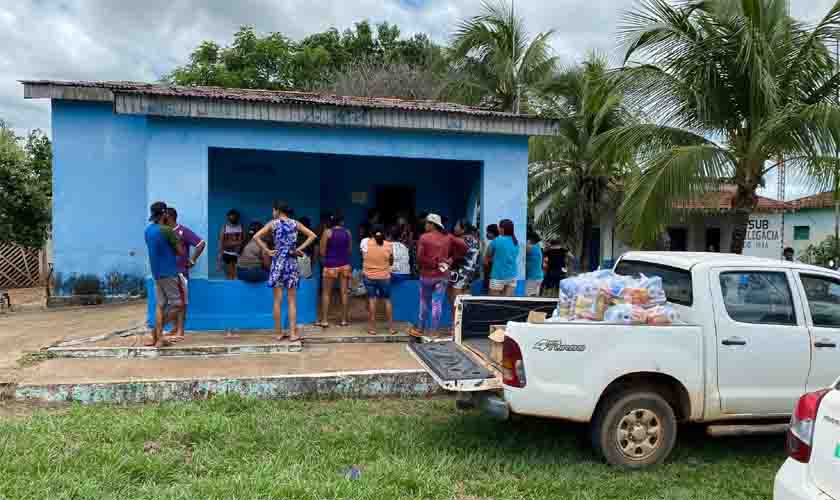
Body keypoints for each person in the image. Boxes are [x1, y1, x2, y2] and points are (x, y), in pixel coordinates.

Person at [253, 201, 317, 342]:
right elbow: (312, 235)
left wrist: (267, 250)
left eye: (273, 210)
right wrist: (300, 249)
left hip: (278, 262)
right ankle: (293, 334)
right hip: (291, 262)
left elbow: (255, 237)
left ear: (277, 211)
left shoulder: (273, 224)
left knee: (277, 300)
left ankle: (278, 333)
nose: (272, 213)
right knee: (292, 301)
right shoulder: (295, 224)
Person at [409, 214, 467, 338]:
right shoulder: (448, 237)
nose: (425, 225)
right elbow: (464, 247)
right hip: (442, 275)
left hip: (427, 275)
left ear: (431, 224)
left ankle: (420, 329)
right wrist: (451, 259)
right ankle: (434, 332)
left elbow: (419, 258)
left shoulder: (424, 238)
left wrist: (432, 263)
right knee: (437, 303)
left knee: (424, 302)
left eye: (426, 223)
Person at [144, 201, 185, 348]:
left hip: (156, 273)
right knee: (178, 305)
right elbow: (180, 252)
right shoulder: (167, 230)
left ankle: (158, 339)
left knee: (160, 305)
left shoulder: (148, 231)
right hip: (169, 272)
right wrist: (176, 239)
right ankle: (156, 334)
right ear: (164, 214)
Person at [164, 207, 206, 341]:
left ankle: (180, 331)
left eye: (164, 216)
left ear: (169, 217)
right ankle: (174, 328)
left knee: (181, 303)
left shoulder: (183, 231)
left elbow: (200, 243)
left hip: (181, 272)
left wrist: (193, 259)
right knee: (172, 303)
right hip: (167, 273)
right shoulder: (164, 232)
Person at [318, 213, 352, 328]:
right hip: (344, 266)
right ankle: (343, 320)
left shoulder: (327, 232)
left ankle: (324, 320)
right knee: (344, 292)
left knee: (326, 293)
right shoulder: (348, 233)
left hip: (330, 266)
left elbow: (322, 252)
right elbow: (349, 251)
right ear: (342, 221)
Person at [362, 225, 396, 335]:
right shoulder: (389, 245)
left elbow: (364, 257)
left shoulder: (365, 243)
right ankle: (391, 328)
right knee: (387, 300)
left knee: (372, 300)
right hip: (384, 277)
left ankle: (372, 328)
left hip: (369, 276)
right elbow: (391, 261)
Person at [448, 220, 480, 318]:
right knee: (466, 304)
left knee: (455, 304)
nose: (454, 228)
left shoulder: (461, 240)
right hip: (470, 276)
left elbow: (455, 257)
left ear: (463, 229)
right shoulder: (475, 240)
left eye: (457, 226)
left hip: (459, 274)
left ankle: (455, 328)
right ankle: (465, 327)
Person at [485, 219, 519, 296]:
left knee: (494, 304)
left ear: (502, 229)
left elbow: (488, 256)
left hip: (497, 276)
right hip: (512, 276)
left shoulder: (497, 240)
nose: (498, 229)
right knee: (507, 304)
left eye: (499, 227)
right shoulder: (515, 242)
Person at [218, 209, 244, 280]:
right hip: (227, 254)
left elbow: (243, 241)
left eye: (234, 217)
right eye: (231, 217)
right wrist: (219, 256)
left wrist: (231, 243)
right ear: (228, 217)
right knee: (229, 275)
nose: (233, 218)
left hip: (237, 254)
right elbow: (221, 241)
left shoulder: (240, 227)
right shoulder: (225, 227)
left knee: (236, 275)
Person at [525, 228, 544, 297]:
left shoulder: (529, 247)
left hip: (532, 278)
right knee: (535, 297)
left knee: (528, 298)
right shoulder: (538, 246)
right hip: (539, 276)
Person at [483, 224, 500, 293]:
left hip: (491, 270)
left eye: (488, 232)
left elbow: (487, 258)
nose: (487, 234)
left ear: (492, 233)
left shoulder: (493, 243)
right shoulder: (501, 241)